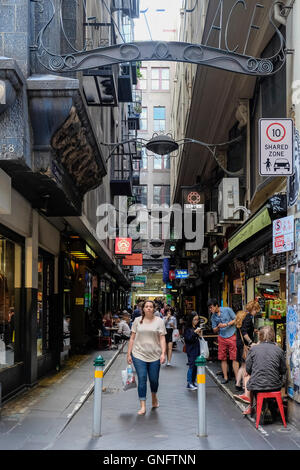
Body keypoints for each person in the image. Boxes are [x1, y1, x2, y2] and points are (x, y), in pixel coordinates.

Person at [127, 300, 167, 415]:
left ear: (154, 309)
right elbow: (132, 338)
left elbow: (162, 338)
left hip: (155, 355)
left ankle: (154, 396)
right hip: (139, 354)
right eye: (146, 306)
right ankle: (143, 405)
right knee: (142, 378)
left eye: (151, 306)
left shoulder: (159, 321)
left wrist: (163, 353)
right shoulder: (137, 321)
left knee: (154, 380)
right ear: (143, 309)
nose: (149, 308)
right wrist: (129, 353)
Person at [242, 325, 286, 416]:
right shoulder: (279, 350)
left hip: (257, 386)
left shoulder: (253, 349)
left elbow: (248, 369)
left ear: (260, 336)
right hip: (275, 385)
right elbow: (283, 370)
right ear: (273, 336)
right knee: (279, 380)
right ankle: (272, 406)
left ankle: (251, 406)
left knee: (250, 379)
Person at [208, 298, 239, 384]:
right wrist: (218, 327)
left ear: (216, 305)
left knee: (234, 358)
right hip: (221, 337)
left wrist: (226, 324)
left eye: (211, 307)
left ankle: (237, 379)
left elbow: (236, 320)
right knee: (222, 358)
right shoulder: (213, 317)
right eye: (209, 308)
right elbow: (214, 330)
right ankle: (225, 378)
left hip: (232, 335)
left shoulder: (227, 310)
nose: (210, 310)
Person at [234, 301, 261, 396]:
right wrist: (250, 342)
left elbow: (244, 329)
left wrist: (255, 330)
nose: (256, 312)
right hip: (244, 345)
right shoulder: (248, 318)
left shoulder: (244, 316)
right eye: (256, 310)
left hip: (240, 344)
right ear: (253, 309)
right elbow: (245, 332)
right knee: (246, 366)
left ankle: (237, 384)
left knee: (242, 365)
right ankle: (245, 387)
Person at [184, 312, 202, 390]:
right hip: (191, 349)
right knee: (191, 365)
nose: (196, 321)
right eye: (194, 319)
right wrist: (195, 333)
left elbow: (200, 338)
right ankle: (189, 383)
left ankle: (194, 382)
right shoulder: (188, 329)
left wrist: (200, 334)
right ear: (191, 320)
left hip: (197, 349)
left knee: (196, 366)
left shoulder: (196, 327)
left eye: (197, 319)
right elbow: (188, 339)